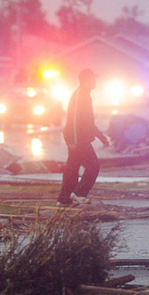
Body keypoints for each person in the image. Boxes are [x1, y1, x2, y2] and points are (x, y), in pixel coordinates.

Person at [56, 69, 109, 206]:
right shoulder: (80, 95)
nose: (95, 81)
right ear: (85, 80)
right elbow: (74, 121)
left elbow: (88, 122)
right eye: (93, 79)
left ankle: (64, 199)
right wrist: (73, 140)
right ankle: (79, 194)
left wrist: (101, 137)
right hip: (78, 139)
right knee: (93, 166)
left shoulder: (85, 94)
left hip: (78, 138)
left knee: (72, 169)